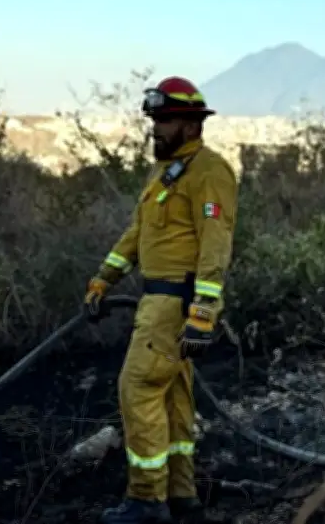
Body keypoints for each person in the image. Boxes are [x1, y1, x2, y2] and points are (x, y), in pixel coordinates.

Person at [83, 76, 239, 524]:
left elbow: (215, 244)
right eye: (154, 118)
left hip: (174, 306)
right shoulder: (164, 173)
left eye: (165, 119)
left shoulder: (210, 171)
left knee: (138, 390)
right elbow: (137, 233)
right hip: (159, 303)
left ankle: (147, 501)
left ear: (191, 125)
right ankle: (180, 495)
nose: (156, 127)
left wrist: (203, 313)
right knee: (172, 398)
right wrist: (103, 279)